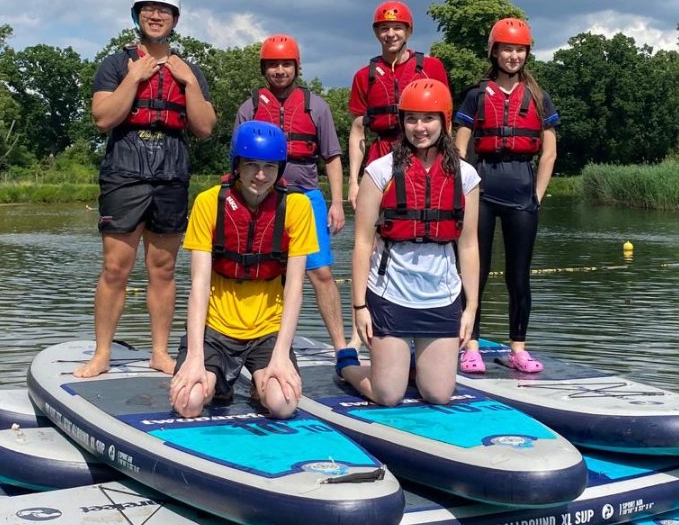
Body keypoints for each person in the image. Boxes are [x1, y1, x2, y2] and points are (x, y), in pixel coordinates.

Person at [75, 0, 217, 378]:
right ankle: (102, 353)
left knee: (163, 268)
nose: (156, 16)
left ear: (174, 19)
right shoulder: (116, 64)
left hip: (171, 168)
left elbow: (204, 127)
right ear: (137, 15)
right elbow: (103, 118)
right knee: (116, 268)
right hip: (126, 166)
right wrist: (134, 78)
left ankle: (159, 352)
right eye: (148, 10)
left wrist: (187, 81)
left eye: (164, 11)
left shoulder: (189, 69)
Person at [339, 78, 481, 406]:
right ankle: (348, 364)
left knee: (438, 394)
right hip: (390, 293)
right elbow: (362, 243)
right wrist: (359, 306)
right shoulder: (379, 171)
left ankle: (411, 365)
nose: (419, 127)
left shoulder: (466, 175)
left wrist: (470, 307)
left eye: (428, 118)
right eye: (411, 118)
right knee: (388, 396)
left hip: (442, 295)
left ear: (444, 121)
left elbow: (469, 245)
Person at [169, 120, 319, 420]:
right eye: (251, 164)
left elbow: (295, 290)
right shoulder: (208, 202)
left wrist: (281, 357)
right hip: (216, 328)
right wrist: (195, 357)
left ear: (280, 168)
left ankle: (259, 384)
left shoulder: (298, 207)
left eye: (269, 166)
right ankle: (219, 382)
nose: (260, 175)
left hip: (267, 329)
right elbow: (198, 285)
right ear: (236, 164)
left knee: (283, 404)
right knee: (189, 403)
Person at [233, 34, 359, 362]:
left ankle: (340, 347)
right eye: (273, 64)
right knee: (268, 274)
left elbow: (332, 157)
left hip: (306, 198)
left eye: (285, 64)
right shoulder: (249, 107)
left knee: (321, 273)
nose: (279, 70)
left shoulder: (316, 106)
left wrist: (335, 203)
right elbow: (237, 164)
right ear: (264, 68)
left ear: (296, 67)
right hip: (264, 200)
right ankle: (263, 346)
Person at [453, 17, 559, 374]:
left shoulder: (539, 97)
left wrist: (537, 196)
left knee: (519, 276)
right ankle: (470, 346)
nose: (513, 56)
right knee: (474, 272)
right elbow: (460, 149)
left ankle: (518, 349)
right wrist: (464, 192)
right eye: (506, 49)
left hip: (522, 190)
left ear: (526, 54)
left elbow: (548, 153)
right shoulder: (476, 95)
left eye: (519, 50)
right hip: (482, 189)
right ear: (494, 52)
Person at [347, 1, 448, 209]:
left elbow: (445, 122)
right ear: (377, 33)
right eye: (384, 28)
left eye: (397, 28)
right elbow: (358, 132)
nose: (391, 34)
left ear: (409, 31)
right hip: (381, 155)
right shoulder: (363, 76)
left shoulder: (432, 67)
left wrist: (448, 162)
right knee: (376, 226)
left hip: (423, 153)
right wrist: (353, 182)